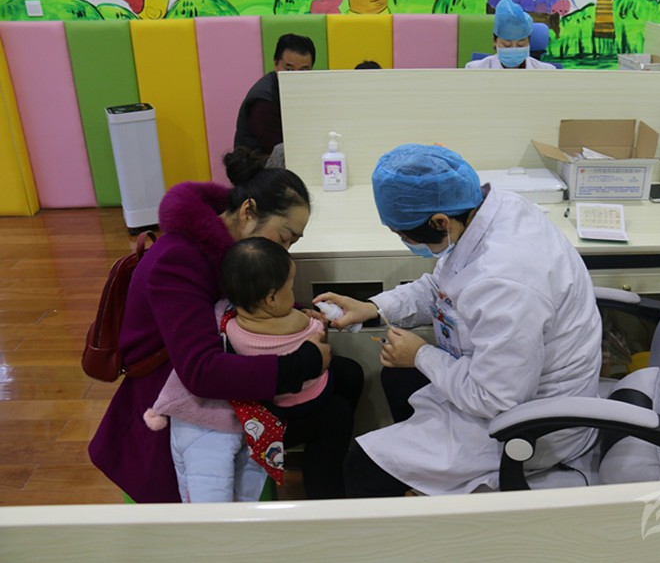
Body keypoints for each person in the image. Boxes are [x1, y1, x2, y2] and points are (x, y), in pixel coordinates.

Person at [314, 144, 601, 497]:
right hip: (507, 378)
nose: (404, 241)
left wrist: (421, 354)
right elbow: (444, 285)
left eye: (404, 235)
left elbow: (494, 398)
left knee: (362, 467)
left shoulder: (506, 281)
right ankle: (426, 471)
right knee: (398, 375)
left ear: (440, 222)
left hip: (532, 424)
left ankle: (425, 487)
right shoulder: (492, 210)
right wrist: (374, 307)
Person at [89, 147, 363, 503]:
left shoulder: (224, 248)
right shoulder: (177, 262)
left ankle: (323, 489)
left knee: (348, 375)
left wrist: (300, 316)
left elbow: (249, 301)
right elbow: (201, 372)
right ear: (248, 212)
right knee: (335, 415)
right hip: (182, 399)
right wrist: (303, 363)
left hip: (219, 366)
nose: (284, 252)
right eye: (284, 238)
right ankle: (327, 511)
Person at [143, 237, 336, 502]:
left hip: (260, 402)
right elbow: (317, 334)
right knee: (339, 411)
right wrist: (317, 320)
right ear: (271, 298)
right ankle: (329, 497)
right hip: (293, 403)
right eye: (290, 288)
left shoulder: (228, 323)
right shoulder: (297, 324)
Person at [233, 34, 316, 157]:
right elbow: (281, 152)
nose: (295, 77)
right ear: (276, 64)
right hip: (259, 166)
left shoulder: (307, 91)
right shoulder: (263, 102)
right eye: (289, 70)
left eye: (303, 71)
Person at [465, 0, 555, 70]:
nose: (514, 49)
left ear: (528, 42)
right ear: (494, 41)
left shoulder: (546, 71)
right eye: (507, 45)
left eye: (520, 45)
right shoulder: (474, 69)